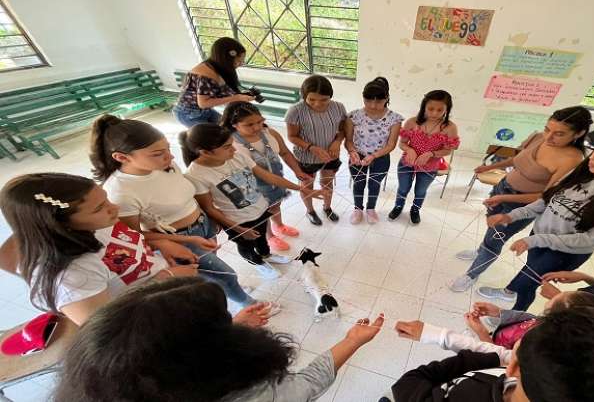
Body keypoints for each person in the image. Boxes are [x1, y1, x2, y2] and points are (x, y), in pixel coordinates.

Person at [53, 277, 386, 402]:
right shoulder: (255, 395)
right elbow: (309, 383)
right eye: (226, 321)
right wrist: (354, 339)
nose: (234, 322)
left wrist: (230, 328)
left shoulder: (102, 382)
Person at [89, 114, 256, 308]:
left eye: (167, 148)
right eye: (158, 153)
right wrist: (189, 239)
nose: (171, 156)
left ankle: (225, 288)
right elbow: (136, 236)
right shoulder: (120, 192)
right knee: (225, 274)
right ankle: (247, 303)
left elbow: (186, 194)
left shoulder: (165, 164)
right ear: (122, 157)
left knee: (214, 270)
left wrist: (208, 217)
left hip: (202, 226)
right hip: (177, 239)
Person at [484, 130, 594, 311]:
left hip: (567, 250)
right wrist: (510, 216)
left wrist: (534, 240)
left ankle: (511, 311)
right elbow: (547, 200)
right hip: (539, 237)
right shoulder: (584, 171)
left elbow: (590, 238)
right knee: (528, 281)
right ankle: (515, 311)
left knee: (524, 283)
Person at [0, 173, 198, 325]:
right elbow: (107, 325)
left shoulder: (100, 221)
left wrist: (160, 244)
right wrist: (164, 278)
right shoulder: (70, 277)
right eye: (98, 208)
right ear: (58, 224)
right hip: (154, 319)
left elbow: (126, 242)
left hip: (169, 294)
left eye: (106, 199)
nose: (114, 208)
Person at [450, 106, 592, 292]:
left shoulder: (573, 159)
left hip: (523, 205)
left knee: (496, 238)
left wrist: (505, 197)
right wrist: (489, 168)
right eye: (547, 129)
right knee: (491, 227)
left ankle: (472, 274)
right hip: (502, 188)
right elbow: (518, 159)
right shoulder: (539, 138)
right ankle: (480, 251)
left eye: (559, 134)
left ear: (579, 133)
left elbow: (548, 196)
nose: (548, 137)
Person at [389, 310, 594, 402]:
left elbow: (408, 385)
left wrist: (468, 361)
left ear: (515, 365)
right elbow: (494, 354)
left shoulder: (473, 394)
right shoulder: (540, 378)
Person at [180, 123, 323, 279]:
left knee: (261, 236)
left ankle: (266, 255)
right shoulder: (195, 175)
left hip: (260, 208)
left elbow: (267, 176)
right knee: (246, 245)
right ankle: (257, 263)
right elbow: (210, 209)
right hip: (236, 221)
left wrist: (302, 189)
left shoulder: (237, 156)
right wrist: (238, 229)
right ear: (205, 152)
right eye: (228, 147)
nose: (234, 150)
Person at [394, 290, 594, 366]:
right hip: (492, 342)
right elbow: (527, 318)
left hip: (488, 350)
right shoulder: (542, 325)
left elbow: (499, 360)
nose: (540, 316)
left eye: (548, 312)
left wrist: (481, 333)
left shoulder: (538, 351)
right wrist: (498, 313)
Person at [221, 102, 309, 251]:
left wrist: (297, 171)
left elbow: (285, 153)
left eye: (260, 122)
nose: (257, 127)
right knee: (263, 213)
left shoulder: (271, 134)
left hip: (276, 180)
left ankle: (279, 225)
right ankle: (270, 235)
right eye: (249, 125)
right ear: (234, 124)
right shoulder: (233, 144)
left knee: (276, 205)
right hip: (254, 187)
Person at [388, 90, 460, 224]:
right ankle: (398, 206)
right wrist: (409, 150)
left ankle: (415, 210)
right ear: (424, 106)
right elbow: (402, 144)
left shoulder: (450, 127)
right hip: (407, 163)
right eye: (431, 109)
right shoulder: (412, 122)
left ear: (447, 109)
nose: (434, 113)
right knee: (403, 188)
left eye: (440, 110)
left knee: (420, 191)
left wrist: (431, 154)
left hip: (430, 166)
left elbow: (448, 150)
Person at [285, 75, 348, 226]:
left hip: (331, 156)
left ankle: (327, 208)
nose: (318, 104)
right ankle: (310, 211)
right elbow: (292, 136)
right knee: (307, 185)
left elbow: (342, 129)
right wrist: (311, 147)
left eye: (324, 100)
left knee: (327, 182)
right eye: (311, 99)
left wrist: (337, 142)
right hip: (306, 157)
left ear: (330, 96)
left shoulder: (338, 107)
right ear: (304, 96)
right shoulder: (295, 111)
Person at [344, 77, 403, 224]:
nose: (373, 105)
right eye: (368, 100)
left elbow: (391, 145)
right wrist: (352, 152)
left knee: (374, 184)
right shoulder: (353, 116)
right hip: (357, 156)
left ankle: (371, 208)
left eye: (378, 101)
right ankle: (358, 209)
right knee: (358, 183)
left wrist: (374, 156)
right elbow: (349, 141)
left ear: (387, 98)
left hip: (381, 158)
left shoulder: (394, 119)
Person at [172, 37, 255, 127]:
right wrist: (236, 97)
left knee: (227, 128)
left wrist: (242, 96)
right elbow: (203, 103)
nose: (242, 63)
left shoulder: (217, 67)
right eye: (239, 60)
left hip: (204, 111)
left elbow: (222, 91)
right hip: (189, 114)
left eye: (243, 60)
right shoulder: (205, 74)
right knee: (215, 138)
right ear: (226, 58)